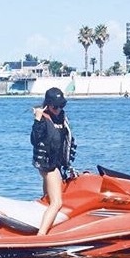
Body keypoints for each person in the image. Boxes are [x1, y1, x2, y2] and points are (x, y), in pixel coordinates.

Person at [30, 87, 77, 236]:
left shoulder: (61, 117)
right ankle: (41, 235)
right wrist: (37, 119)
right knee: (57, 202)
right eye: (55, 106)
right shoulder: (43, 119)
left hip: (56, 163)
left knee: (48, 200)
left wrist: (67, 166)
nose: (58, 109)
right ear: (48, 105)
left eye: (61, 106)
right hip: (48, 165)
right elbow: (35, 140)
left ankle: (45, 226)